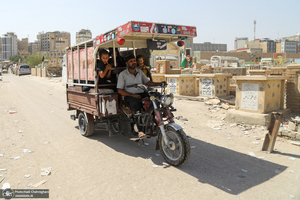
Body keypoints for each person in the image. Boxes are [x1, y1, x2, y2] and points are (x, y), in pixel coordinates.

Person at [117, 54, 166, 139]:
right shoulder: (122, 74)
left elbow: (148, 82)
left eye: (134, 61)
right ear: (127, 63)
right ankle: (140, 130)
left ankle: (155, 120)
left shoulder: (139, 72)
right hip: (129, 95)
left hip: (141, 92)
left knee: (155, 99)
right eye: (131, 61)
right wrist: (133, 95)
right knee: (136, 105)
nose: (133, 63)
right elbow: (120, 90)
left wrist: (159, 83)